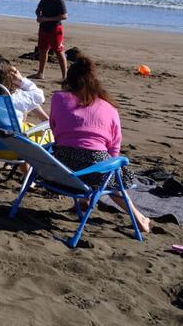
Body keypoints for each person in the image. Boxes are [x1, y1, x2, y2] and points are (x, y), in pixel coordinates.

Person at [50, 55, 151, 234]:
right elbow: (115, 145)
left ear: (69, 81)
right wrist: (112, 164)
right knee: (111, 173)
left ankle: (85, 200)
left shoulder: (58, 99)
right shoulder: (109, 107)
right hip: (93, 168)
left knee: (95, 167)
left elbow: (55, 127)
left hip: (60, 168)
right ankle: (139, 217)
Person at [0, 55, 49, 123]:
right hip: (13, 136)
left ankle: (47, 120)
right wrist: (21, 80)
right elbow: (40, 96)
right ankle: (48, 122)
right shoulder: (16, 98)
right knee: (27, 100)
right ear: (6, 77)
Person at [35, 0, 69, 80]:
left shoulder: (59, 1)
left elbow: (65, 16)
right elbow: (38, 10)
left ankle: (65, 77)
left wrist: (48, 19)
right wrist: (39, 16)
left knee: (59, 51)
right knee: (42, 50)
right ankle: (40, 73)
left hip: (55, 29)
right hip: (43, 28)